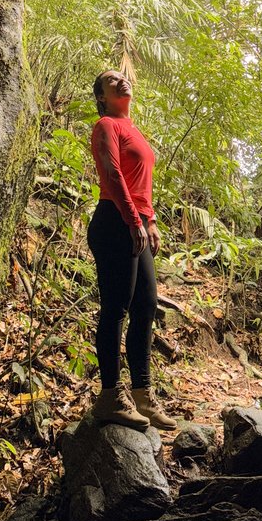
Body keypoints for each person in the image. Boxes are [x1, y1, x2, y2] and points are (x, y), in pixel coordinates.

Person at [86, 69, 176, 431]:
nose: (120, 80)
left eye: (123, 77)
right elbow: (112, 172)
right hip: (114, 221)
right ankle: (110, 396)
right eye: (110, 79)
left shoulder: (134, 129)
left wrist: (149, 220)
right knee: (116, 308)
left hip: (136, 221)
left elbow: (142, 183)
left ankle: (142, 395)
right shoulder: (106, 125)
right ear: (102, 96)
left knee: (146, 306)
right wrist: (131, 219)